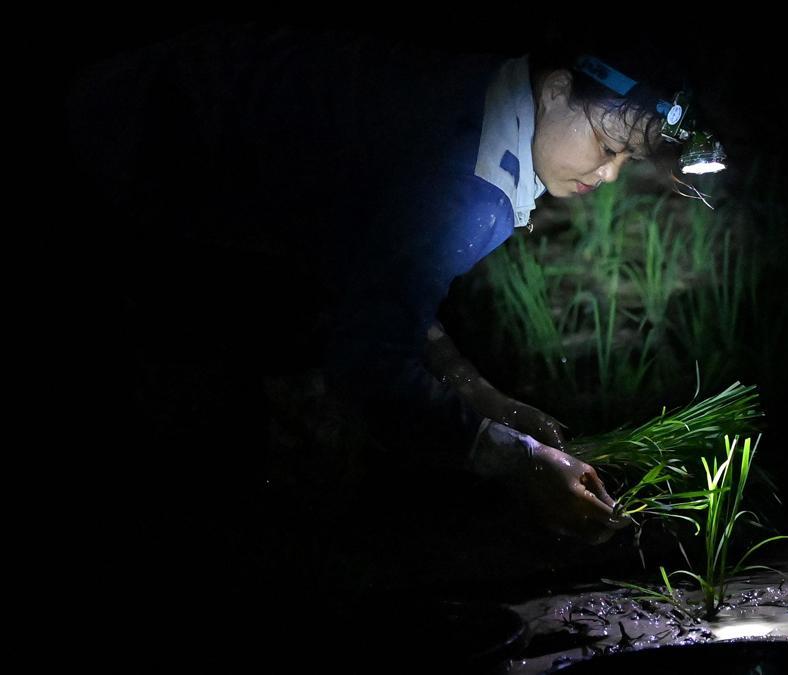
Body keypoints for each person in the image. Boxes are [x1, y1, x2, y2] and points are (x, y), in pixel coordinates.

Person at [64, 22, 681, 588]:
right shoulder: (471, 185)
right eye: (607, 145)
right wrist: (524, 464)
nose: (608, 175)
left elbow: (384, 282)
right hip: (133, 159)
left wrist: (485, 398)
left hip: (190, 146)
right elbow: (369, 367)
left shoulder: (480, 94)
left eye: (626, 160)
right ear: (553, 90)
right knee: (232, 439)